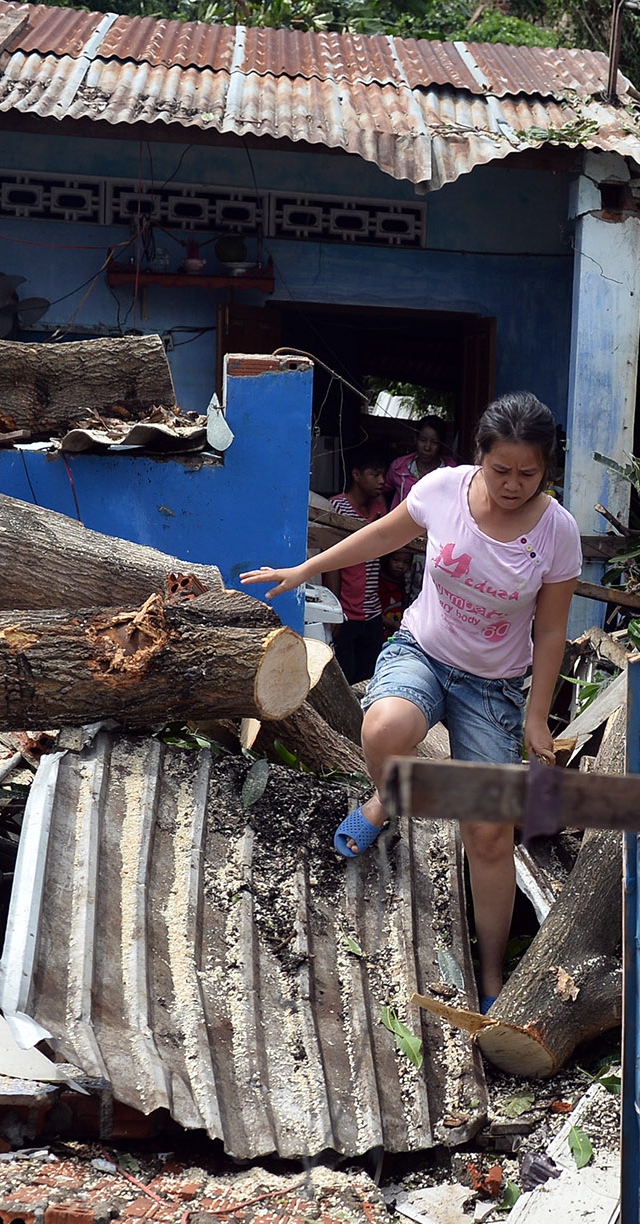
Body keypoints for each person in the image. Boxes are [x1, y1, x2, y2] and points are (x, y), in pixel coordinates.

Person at [243, 392, 581, 1010]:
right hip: (423, 652)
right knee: (384, 728)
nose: (511, 485)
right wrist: (303, 570)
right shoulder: (444, 490)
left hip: (496, 687)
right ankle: (387, 796)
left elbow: (552, 628)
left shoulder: (557, 532)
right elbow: (376, 538)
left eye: (527, 474)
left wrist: (536, 714)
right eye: (500, 470)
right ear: (479, 458)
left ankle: (491, 971)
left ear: (546, 469)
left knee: (488, 836)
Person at [324, 448, 392, 683]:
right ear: (356, 475)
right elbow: (331, 563)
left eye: (383, 474)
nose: (382, 481)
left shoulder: (380, 510)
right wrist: (335, 611)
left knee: (369, 677)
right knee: (346, 677)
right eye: (375, 474)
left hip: (372, 612)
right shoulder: (337, 508)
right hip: (345, 614)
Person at [385, 416, 457, 511]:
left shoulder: (452, 473)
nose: (427, 447)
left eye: (434, 442)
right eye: (423, 440)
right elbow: (380, 490)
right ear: (416, 439)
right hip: (403, 524)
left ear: (441, 444)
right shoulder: (399, 468)